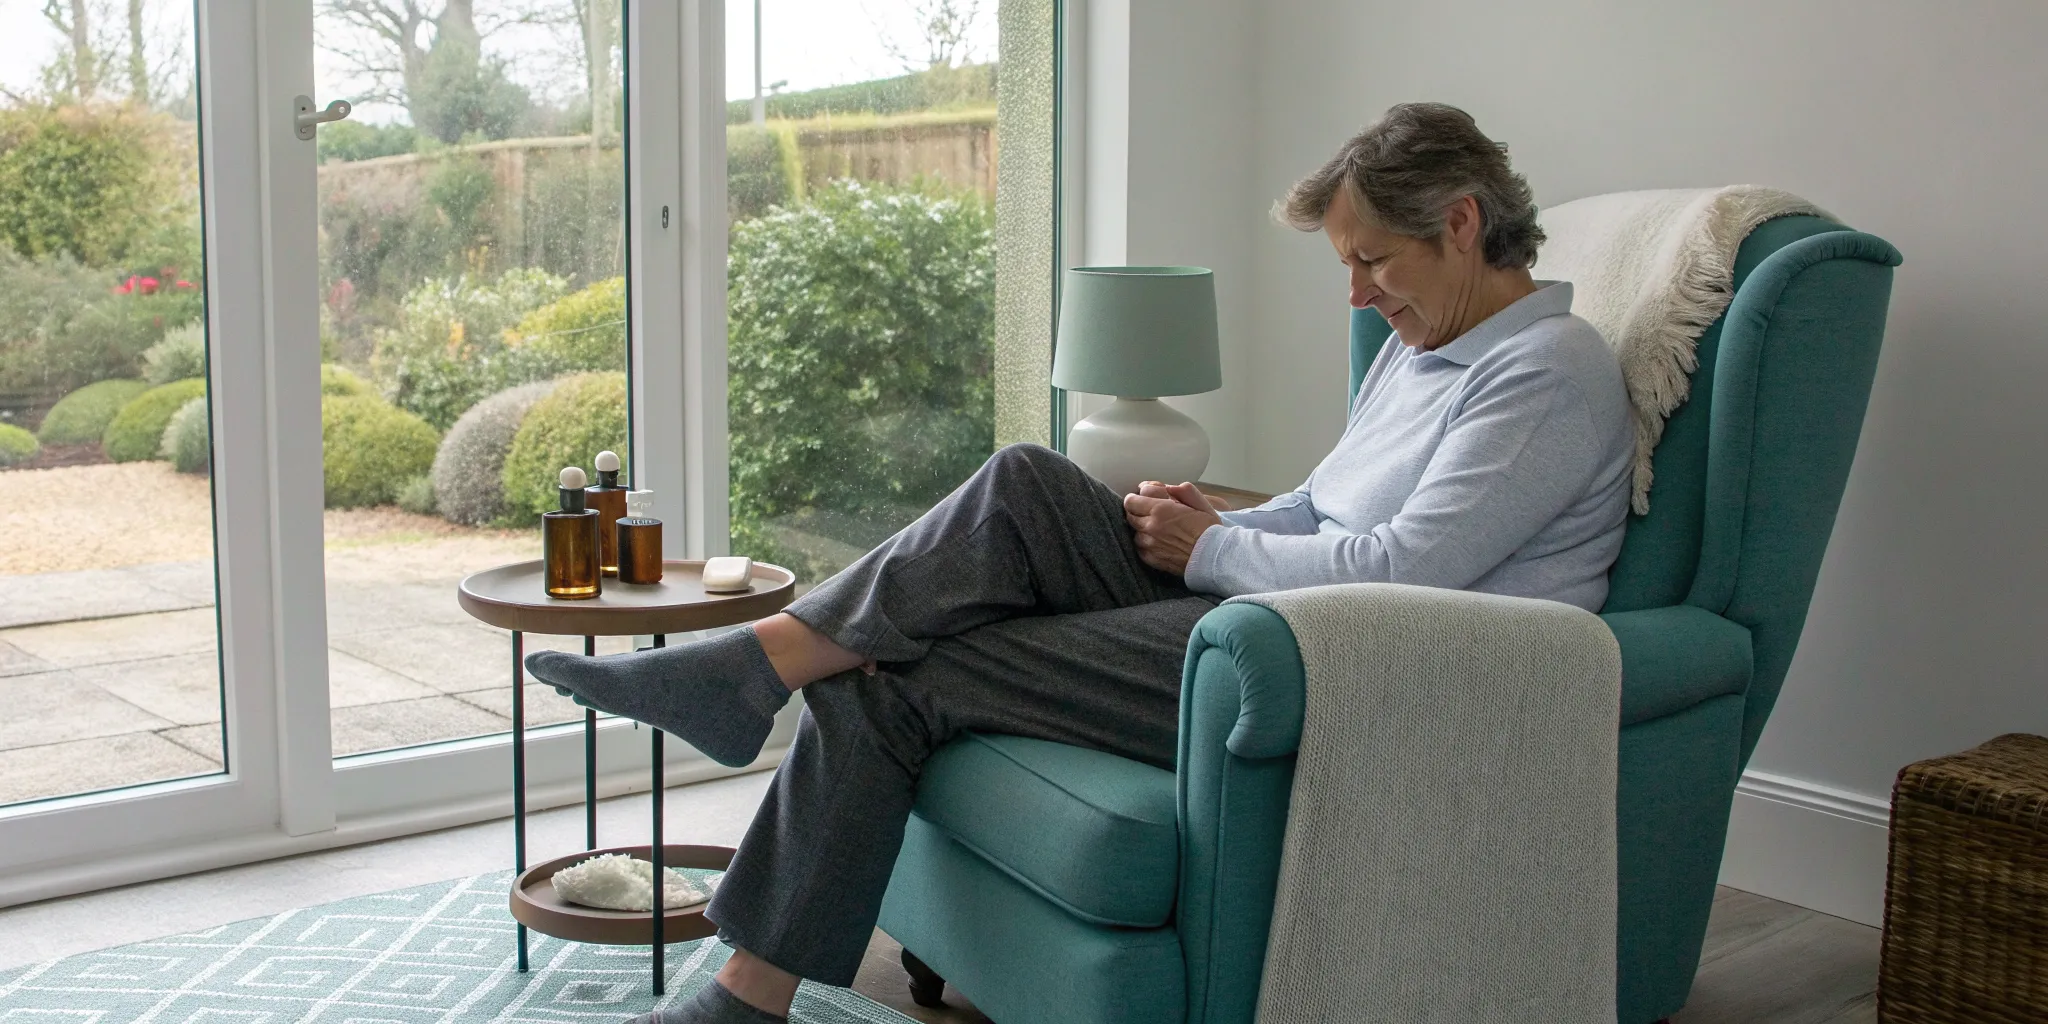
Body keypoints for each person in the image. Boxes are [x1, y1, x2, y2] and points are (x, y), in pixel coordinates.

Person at [525, 100, 1635, 1024]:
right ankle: (754, 674)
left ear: (1458, 223)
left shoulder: (1542, 372)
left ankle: (743, 936)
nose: (1356, 295)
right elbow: (1322, 503)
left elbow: (1410, 571)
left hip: (1359, 669)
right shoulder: (1422, 345)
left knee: (903, 668)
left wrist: (1213, 549)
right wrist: (1217, 516)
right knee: (1026, 481)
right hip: (1286, 619)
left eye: (1370, 262)